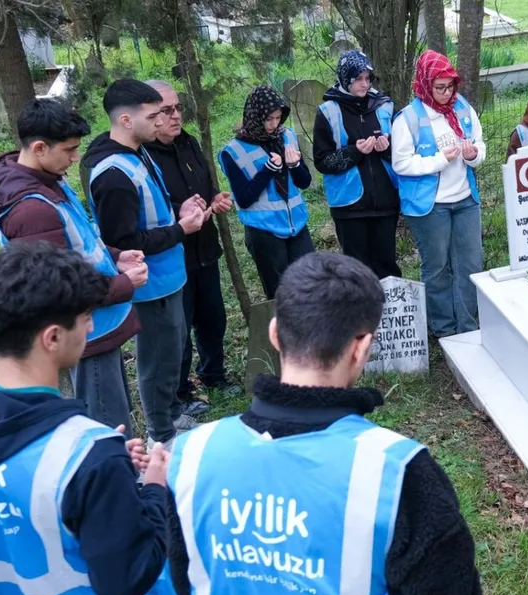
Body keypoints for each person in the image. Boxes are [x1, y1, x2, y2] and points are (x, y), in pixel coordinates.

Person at [165, 252, 484, 595]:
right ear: (361, 348)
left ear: (274, 333)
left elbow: (184, 581)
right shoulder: (397, 473)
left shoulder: (190, 454)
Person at [0, 243, 181, 595]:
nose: (92, 326)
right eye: (84, 317)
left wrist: (104, 479)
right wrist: (152, 488)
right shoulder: (89, 454)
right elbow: (128, 580)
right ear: (51, 337)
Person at [0, 98, 145, 430]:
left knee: (114, 409)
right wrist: (124, 285)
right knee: (107, 424)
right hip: (81, 331)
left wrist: (114, 255)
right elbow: (55, 288)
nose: (75, 157)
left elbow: (77, 237)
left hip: (95, 322)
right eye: (69, 150)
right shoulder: (32, 210)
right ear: (39, 147)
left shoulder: (48, 180)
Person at [84, 78, 211, 448]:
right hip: (150, 283)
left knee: (171, 353)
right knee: (157, 361)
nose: (162, 122)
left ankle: (170, 414)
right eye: (153, 116)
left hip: (170, 275)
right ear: (126, 120)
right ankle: (162, 436)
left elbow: (151, 212)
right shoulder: (112, 173)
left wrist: (178, 211)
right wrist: (181, 229)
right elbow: (123, 243)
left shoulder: (138, 154)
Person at [143, 80, 238, 414]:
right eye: (166, 110)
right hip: (173, 254)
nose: (175, 116)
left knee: (213, 317)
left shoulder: (189, 143)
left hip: (205, 249)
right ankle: (179, 392)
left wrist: (216, 197)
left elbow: (206, 181)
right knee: (178, 328)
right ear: (149, 115)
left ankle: (213, 374)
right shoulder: (143, 156)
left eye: (178, 108)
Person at [392, 50, 487, 337]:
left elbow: (479, 145)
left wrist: (472, 155)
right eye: (440, 87)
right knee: (437, 268)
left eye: (450, 86)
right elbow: (401, 163)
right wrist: (439, 160)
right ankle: (445, 331)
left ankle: (468, 327)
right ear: (424, 84)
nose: (447, 94)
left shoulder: (462, 108)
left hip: (464, 199)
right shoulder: (407, 119)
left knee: (470, 264)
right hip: (430, 206)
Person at [313, 50, 402, 281]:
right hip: (348, 206)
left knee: (387, 268)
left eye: (368, 78)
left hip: (385, 201)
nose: (364, 84)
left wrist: (386, 149)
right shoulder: (327, 112)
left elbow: (401, 155)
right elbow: (322, 161)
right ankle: (362, 317)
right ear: (345, 79)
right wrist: (355, 152)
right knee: (357, 273)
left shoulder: (385, 106)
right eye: (358, 79)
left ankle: (391, 315)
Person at [220, 85, 315, 300]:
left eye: (278, 118)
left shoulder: (287, 136)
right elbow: (243, 200)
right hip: (263, 231)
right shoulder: (233, 151)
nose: (274, 124)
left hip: (297, 225)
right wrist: (268, 170)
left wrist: (294, 165)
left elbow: (305, 181)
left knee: (312, 284)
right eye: (269, 119)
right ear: (255, 116)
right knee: (280, 295)